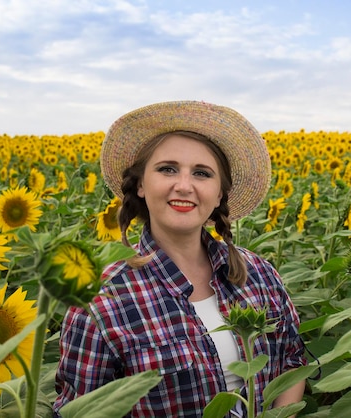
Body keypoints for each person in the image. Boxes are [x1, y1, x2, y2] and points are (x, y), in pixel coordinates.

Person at [53, 100, 308, 417]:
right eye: (167, 169)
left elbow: (292, 360)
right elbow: (79, 412)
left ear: (218, 195)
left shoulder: (258, 274)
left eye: (202, 173)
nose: (184, 186)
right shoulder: (99, 302)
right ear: (142, 185)